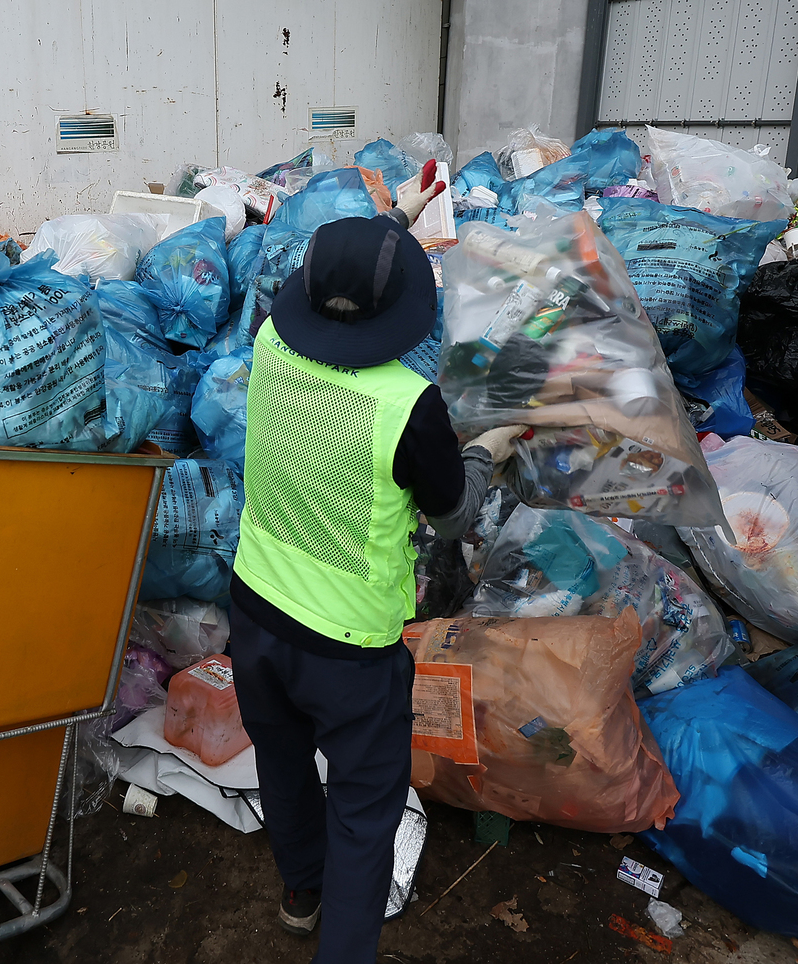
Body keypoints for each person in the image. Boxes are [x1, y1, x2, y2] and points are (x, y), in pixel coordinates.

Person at [230, 159, 526, 963]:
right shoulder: (406, 405)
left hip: (255, 617)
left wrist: (399, 222)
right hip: (349, 652)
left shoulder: (269, 347)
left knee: (285, 768)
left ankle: (300, 896)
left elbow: (345, 293)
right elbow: (454, 515)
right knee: (364, 814)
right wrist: (490, 449)